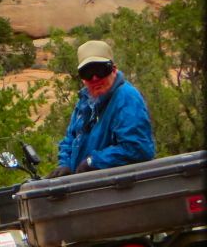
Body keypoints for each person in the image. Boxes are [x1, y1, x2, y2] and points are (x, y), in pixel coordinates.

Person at [48, 39, 155, 178]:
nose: (95, 78)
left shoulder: (126, 97)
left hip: (118, 189)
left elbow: (138, 148)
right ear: (82, 78)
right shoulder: (85, 101)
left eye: (100, 70)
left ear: (113, 69)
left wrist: (93, 161)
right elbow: (70, 139)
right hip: (87, 187)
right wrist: (65, 164)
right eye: (87, 72)